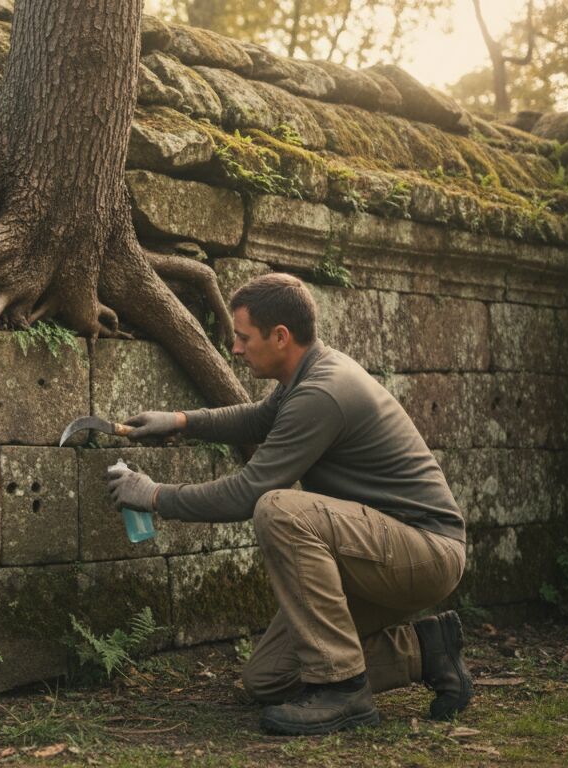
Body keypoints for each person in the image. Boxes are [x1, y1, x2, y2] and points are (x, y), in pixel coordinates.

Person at [105, 273, 471, 736]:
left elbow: (247, 492)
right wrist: (181, 421)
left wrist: (155, 495)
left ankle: (343, 691)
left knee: (278, 507)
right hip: (378, 552)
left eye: (243, 337)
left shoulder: (322, 390)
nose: (235, 349)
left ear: (281, 336)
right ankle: (428, 649)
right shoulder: (308, 372)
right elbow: (259, 417)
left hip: (424, 551)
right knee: (269, 679)